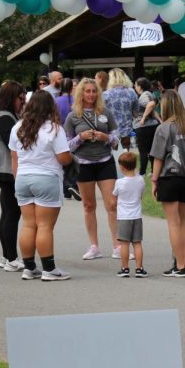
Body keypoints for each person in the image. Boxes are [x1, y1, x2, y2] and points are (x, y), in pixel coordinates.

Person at [9, 90, 74, 281]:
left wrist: (17, 179)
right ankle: (49, 268)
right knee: (45, 225)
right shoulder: (54, 129)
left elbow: (14, 157)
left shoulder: (17, 128)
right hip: (46, 177)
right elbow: (63, 158)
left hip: (22, 178)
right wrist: (71, 157)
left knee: (29, 225)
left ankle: (29, 267)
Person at [65, 77, 120, 260]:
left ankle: (117, 245)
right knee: (89, 205)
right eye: (87, 91)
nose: (91, 94)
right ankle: (94, 246)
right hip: (83, 164)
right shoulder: (72, 116)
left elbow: (116, 139)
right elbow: (67, 146)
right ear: (81, 93)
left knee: (112, 204)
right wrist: (80, 137)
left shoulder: (106, 112)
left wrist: (106, 137)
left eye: (94, 91)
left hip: (105, 161)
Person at [150, 89, 185, 277]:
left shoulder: (163, 128)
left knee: (173, 223)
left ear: (166, 105)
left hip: (169, 177)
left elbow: (158, 157)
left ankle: (180, 264)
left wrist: (154, 181)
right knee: (183, 221)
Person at [0, 81, 26, 270]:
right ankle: (11, 258)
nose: (22, 102)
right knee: (12, 214)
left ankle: (6, 256)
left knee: (7, 214)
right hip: (6, 170)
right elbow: (15, 143)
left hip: (0, 169)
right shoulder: (4, 118)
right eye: (20, 98)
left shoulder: (2, 114)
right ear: (11, 98)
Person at [113, 151, 147, 278]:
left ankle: (125, 268)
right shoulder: (140, 180)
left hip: (123, 217)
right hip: (137, 216)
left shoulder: (119, 182)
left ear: (121, 167)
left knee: (124, 244)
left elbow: (114, 196)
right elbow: (141, 194)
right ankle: (139, 268)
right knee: (137, 243)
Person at [103, 68, 138, 150]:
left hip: (111, 131)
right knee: (125, 158)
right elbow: (136, 112)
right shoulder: (131, 92)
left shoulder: (105, 94)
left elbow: (102, 115)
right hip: (127, 131)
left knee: (113, 156)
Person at [132, 77, 160, 176]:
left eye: (135, 85)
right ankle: (153, 171)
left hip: (143, 127)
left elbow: (151, 104)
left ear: (140, 86)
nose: (135, 87)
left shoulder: (144, 95)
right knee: (152, 149)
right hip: (153, 126)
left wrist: (143, 118)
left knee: (143, 150)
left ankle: (142, 172)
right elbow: (152, 109)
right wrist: (160, 121)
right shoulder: (150, 94)